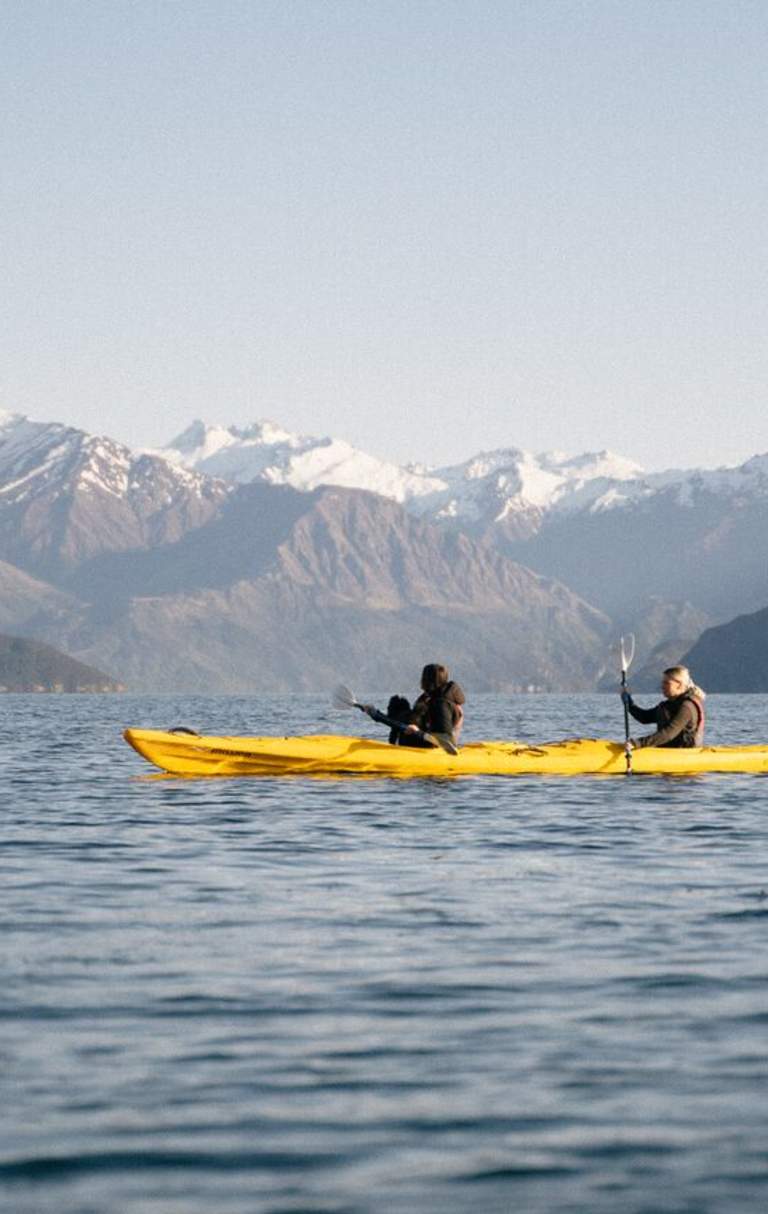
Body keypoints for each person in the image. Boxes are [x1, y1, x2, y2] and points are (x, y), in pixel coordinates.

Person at [621, 665, 705, 749]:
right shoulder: (668, 705)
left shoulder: (687, 707)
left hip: (683, 755)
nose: (662, 686)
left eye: (666, 683)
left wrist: (638, 743)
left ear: (679, 684)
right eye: (662, 682)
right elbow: (644, 717)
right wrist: (629, 704)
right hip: (667, 752)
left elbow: (668, 733)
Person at [400, 663, 466, 748]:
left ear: (428, 681)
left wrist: (417, 732)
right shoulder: (431, 698)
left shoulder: (441, 703)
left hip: (438, 750)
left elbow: (444, 739)